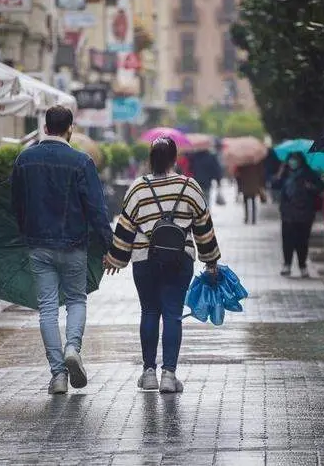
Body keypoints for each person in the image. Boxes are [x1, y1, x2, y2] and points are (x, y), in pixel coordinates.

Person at [104, 137, 221, 393]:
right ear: (174, 158)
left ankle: (148, 373)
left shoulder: (137, 188)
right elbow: (203, 227)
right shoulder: (189, 187)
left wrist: (116, 258)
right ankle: (169, 374)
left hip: (144, 260)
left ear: (150, 159)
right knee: (172, 314)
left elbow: (125, 227)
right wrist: (210, 260)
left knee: (148, 312)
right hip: (180, 260)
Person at [11, 105, 113, 395]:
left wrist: (25, 233)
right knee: (76, 301)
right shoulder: (81, 162)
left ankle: (57, 374)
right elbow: (96, 209)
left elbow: (16, 204)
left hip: (38, 246)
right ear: (71, 128)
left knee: (47, 309)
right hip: (73, 245)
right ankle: (72, 348)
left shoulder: (24, 160)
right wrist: (110, 245)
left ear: (45, 128)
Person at [276, 153, 324, 278]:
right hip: (288, 213)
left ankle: (302, 266)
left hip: (305, 214)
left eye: (295, 159)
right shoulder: (285, 173)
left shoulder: (309, 173)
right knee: (287, 240)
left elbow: (320, 187)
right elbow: (275, 185)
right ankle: (287, 264)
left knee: (302, 241)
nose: (293, 162)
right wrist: (280, 173)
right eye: (291, 159)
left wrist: (310, 187)